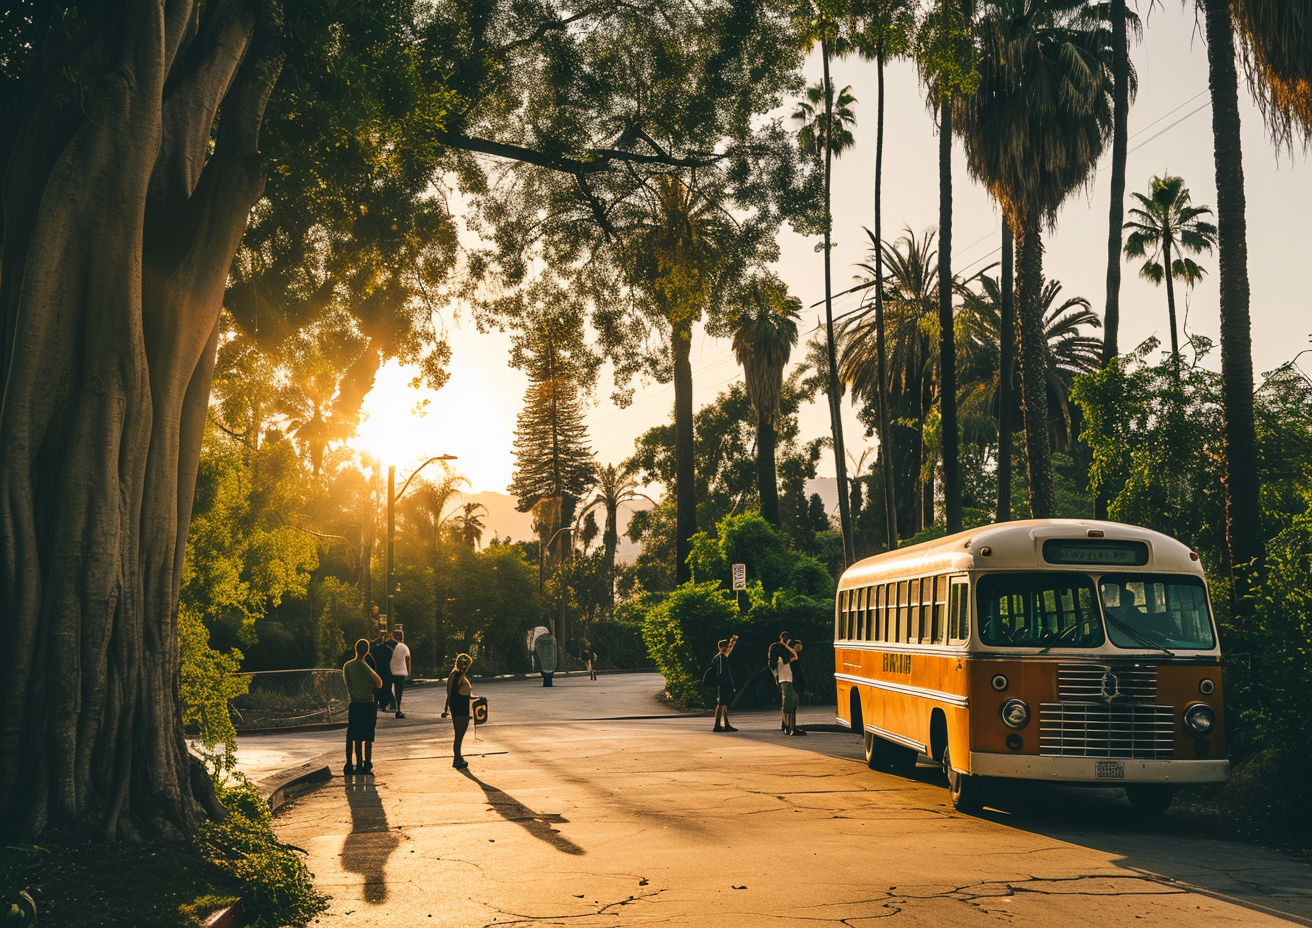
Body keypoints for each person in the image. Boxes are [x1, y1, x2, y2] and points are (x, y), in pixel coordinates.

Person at [343, 638, 383, 776]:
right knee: (367, 734)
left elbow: (347, 683)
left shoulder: (348, 666)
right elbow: (379, 683)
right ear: (366, 651)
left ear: (355, 649)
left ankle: (353, 763)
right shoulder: (365, 667)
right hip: (368, 704)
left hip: (355, 703)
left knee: (354, 734)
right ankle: (367, 762)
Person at [441, 653, 475, 769]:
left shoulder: (462, 675)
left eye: (466, 664)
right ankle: (457, 757)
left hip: (464, 703)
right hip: (458, 705)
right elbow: (450, 692)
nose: (464, 666)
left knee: (461, 732)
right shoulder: (455, 675)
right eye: (462, 663)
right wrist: (447, 708)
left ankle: (459, 756)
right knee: (459, 733)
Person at [775, 638, 803, 736]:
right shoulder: (783, 658)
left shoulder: (785, 658)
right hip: (785, 681)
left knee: (793, 701)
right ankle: (788, 726)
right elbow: (794, 655)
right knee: (788, 704)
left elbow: (794, 655)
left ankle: (790, 726)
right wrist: (785, 646)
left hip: (788, 680)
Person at [711, 635, 739, 732]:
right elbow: (721, 672)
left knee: (724, 704)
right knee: (721, 703)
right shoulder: (721, 658)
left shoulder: (719, 657)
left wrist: (733, 641)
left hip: (722, 683)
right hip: (723, 683)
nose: (728, 648)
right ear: (723, 648)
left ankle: (725, 724)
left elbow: (729, 649)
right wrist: (725, 683)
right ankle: (717, 725)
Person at [389, 630, 412, 719]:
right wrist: (408, 671)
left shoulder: (389, 647)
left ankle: (391, 703)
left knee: (390, 689)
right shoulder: (404, 647)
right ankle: (398, 708)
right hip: (401, 672)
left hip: (390, 671)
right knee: (399, 691)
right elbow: (407, 659)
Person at [371, 633, 395, 712]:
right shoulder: (388, 650)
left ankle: (382, 704)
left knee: (379, 690)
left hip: (378, 672)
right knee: (387, 689)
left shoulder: (373, 651)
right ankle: (389, 704)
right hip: (387, 672)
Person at [788, 639, 807, 736]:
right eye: (797, 645)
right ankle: (789, 726)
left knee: (793, 704)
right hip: (794, 681)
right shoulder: (792, 656)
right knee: (791, 704)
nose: (799, 647)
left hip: (797, 681)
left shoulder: (797, 656)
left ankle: (790, 725)